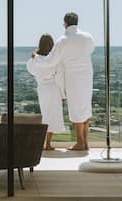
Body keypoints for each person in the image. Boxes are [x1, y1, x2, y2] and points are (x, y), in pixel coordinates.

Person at [31, 12, 94, 151]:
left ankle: (80, 143)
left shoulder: (63, 40)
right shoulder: (88, 37)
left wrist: (36, 57)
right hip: (87, 75)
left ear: (65, 23)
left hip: (73, 77)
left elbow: (50, 61)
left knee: (76, 108)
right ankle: (86, 143)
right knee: (85, 107)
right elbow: (90, 50)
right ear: (77, 22)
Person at [27, 34, 65, 150]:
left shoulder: (34, 59)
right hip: (53, 88)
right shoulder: (54, 59)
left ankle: (41, 143)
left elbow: (31, 70)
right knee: (52, 115)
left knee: (45, 115)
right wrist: (63, 93)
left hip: (42, 89)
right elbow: (60, 76)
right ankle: (48, 143)